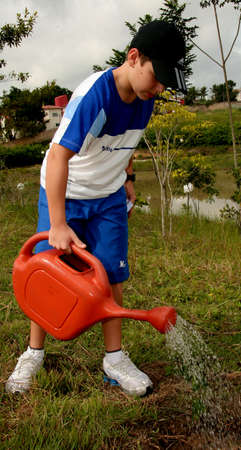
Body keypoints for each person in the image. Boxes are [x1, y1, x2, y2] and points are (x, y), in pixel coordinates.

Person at [6, 20, 186, 397]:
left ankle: (114, 360)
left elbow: (126, 145)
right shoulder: (95, 95)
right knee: (49, 273)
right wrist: (57, 223)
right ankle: (33, 353)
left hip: (108, 197)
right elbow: (58, 157)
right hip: (66, 191)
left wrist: (129, 183)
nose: (160, 88)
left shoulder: (145, 99)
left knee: (112, 275)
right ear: (134, 58)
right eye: (157, 76)